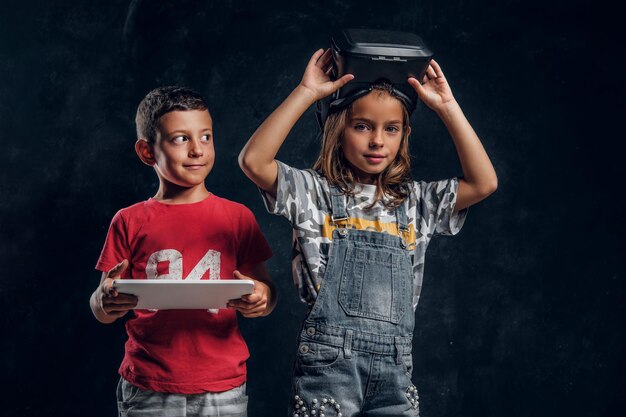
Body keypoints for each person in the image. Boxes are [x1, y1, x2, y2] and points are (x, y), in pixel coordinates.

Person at [238, 48, 497, 416]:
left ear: (403, 134)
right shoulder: (312, 194)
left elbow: (484, 182)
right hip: (329, 368)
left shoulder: (415, 202)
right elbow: (254, 161)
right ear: (337, 128)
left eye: (390, 129)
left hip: (395, 372)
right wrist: (307, 91)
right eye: (362, 126)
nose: (378, 141)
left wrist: (447, 106)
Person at [90, 86, 275, 417]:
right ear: (148, 152)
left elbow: (267, 293)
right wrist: (104, 300)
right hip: (150, 384)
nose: (197, 150)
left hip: (223, 384)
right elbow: (103, 308)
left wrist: (261, 297)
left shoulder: (237, 217)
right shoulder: (129, 220)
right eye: (180, 139)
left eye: (205, 137)